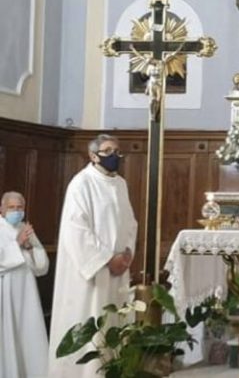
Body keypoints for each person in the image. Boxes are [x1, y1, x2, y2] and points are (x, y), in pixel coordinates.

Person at [48, 134, 138, 378]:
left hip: (119, 269)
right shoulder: (82, 183)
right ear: (93, 155)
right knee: (91, 319)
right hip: (94, 271)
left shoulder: (121, 184)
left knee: (114, 323)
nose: (113, 156)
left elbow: (130, 223)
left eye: (117, 151)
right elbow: (76, 229)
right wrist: (108, 259)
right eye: (107, 150)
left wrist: (127, 253)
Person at [0, 191, 49, 378]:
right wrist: (17, 244)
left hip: (28, 294)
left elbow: (42, 267)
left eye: (20, 207)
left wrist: (28, 245)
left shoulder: (25, 228)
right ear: (2, 209)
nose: (16, 211)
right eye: (11, 207)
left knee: (29, 337)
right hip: (6, 292)